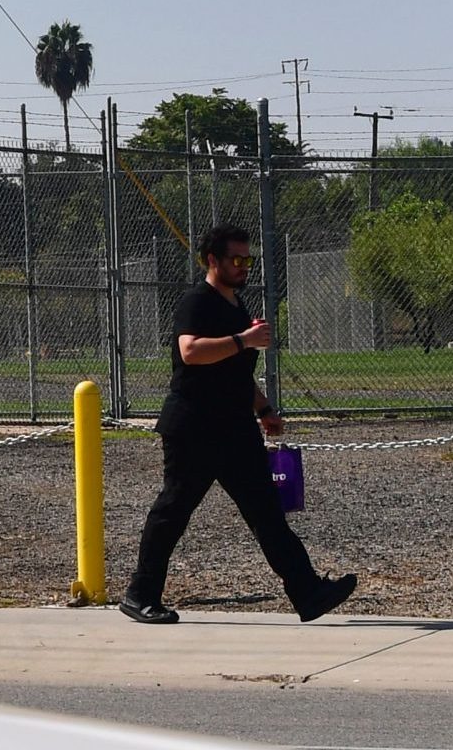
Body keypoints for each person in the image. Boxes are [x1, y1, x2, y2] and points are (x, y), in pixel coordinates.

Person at [118, 224, 356, 625]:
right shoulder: (198, 301)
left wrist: (263, 410)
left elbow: (235, 375)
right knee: (173, 511)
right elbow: (190, 351)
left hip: (234, 429)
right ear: (213, 261)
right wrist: (244, 339)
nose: (245, 266)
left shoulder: (235, 306)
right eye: (237, 259)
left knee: (267, 513)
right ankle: (140, 594)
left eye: (249, 259)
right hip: (194, 427)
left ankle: (307, 591)